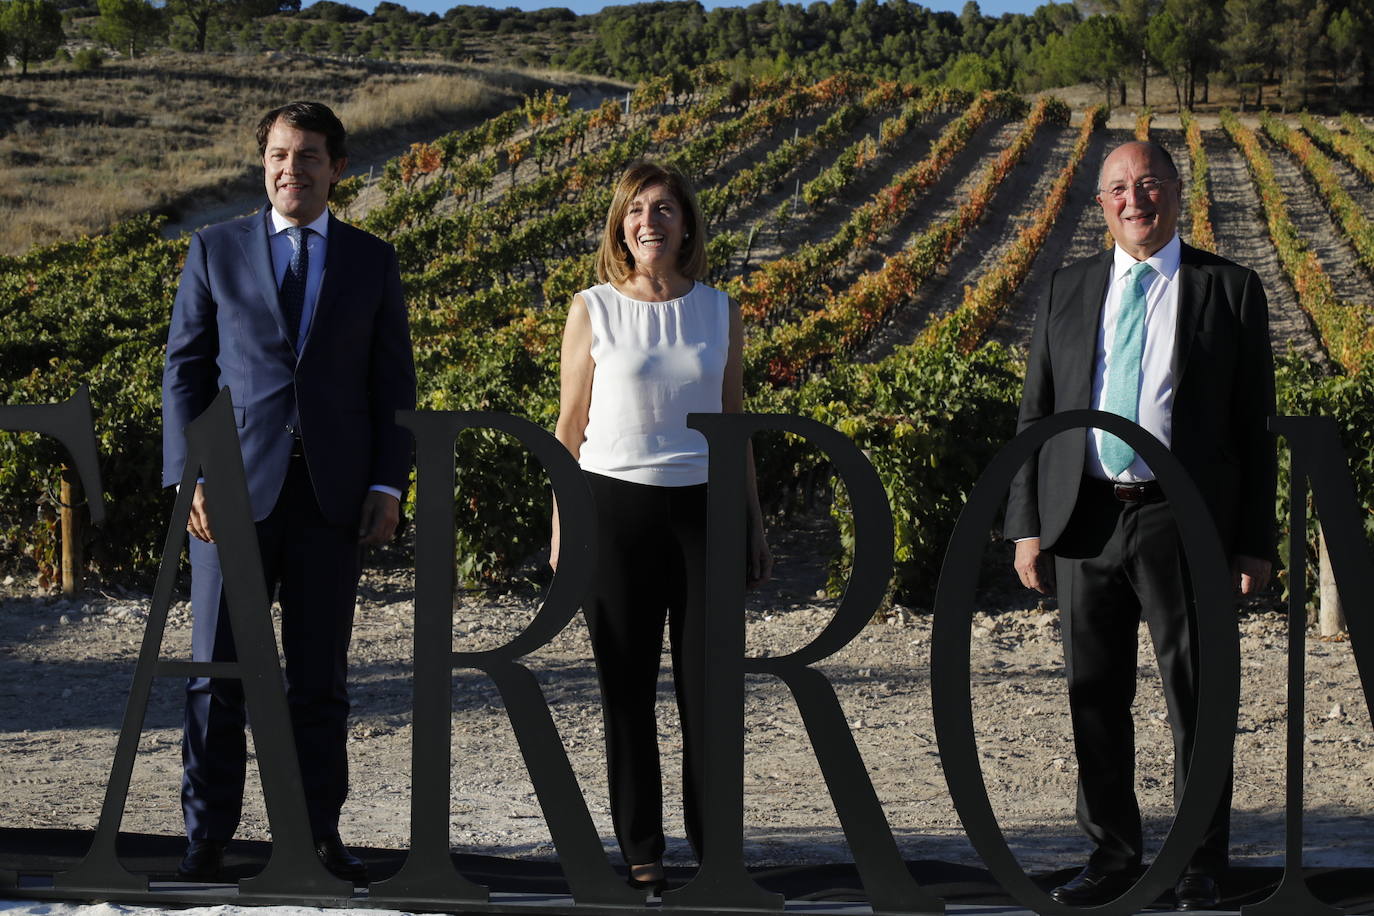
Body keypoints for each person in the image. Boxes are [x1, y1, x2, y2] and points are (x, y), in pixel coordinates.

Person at [1004, 141, 1276, 911]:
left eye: (1149, 184)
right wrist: (1028, 524)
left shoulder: (1230, 289)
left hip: (1183, 519)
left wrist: (1255, 540)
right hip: (1085, 516)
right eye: (1119, 188)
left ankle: (1199, 864)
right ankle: (1112, 858)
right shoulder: (1066, 286)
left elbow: (1254, 428)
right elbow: (1037, 412)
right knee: (1094, 696)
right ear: (1101, 204)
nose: (1135, 199)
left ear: (1176, 193)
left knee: (1197, 697)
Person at [162, 100, 416, 885]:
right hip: (231, 492)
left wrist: (386, 481)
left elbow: (392, 383)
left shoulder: (372, 260)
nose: (290, 169)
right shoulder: (213, 249)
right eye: (278, 154)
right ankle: (206, 837)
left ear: (338, 168)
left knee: (319, 681)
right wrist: (188, 477)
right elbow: (185, 370)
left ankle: (314, 838)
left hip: (333, 497)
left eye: (308, 156)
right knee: (217, 673)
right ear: (262, 163)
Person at [551, 160, 771, 892]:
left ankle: (716, 854)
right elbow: (570, 424)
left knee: (710, 691)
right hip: (613, 510)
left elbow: (734, 421)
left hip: (704, 512)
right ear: (621, 223)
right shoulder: (593, 308)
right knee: (627, 689)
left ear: (687, 223)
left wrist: (753, 520)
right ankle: (643, 849)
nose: (652, 221)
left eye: (666, 208)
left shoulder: (719, 309)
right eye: (639, 209)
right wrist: (561, 525)